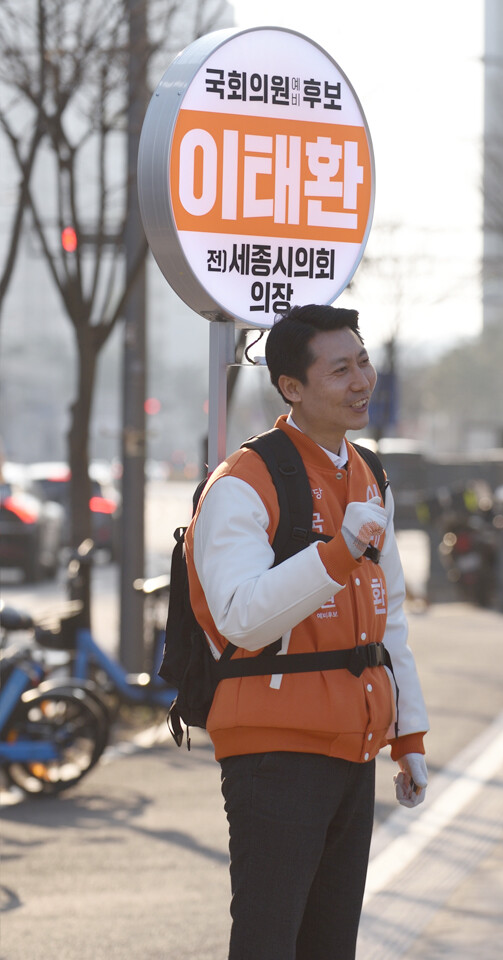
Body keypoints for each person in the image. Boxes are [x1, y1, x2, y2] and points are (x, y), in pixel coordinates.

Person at [186, 304, 431, 960]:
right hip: (275, 752)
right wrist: (337, 552)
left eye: (364, 362)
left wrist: (408, 734)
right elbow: (241, 616)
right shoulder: (243, 482)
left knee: (329, 945)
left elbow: (390, 614)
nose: (362, 381)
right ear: (291, 387)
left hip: (354, 747)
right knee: (269, 942)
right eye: (340, 369)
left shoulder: (369, 473)